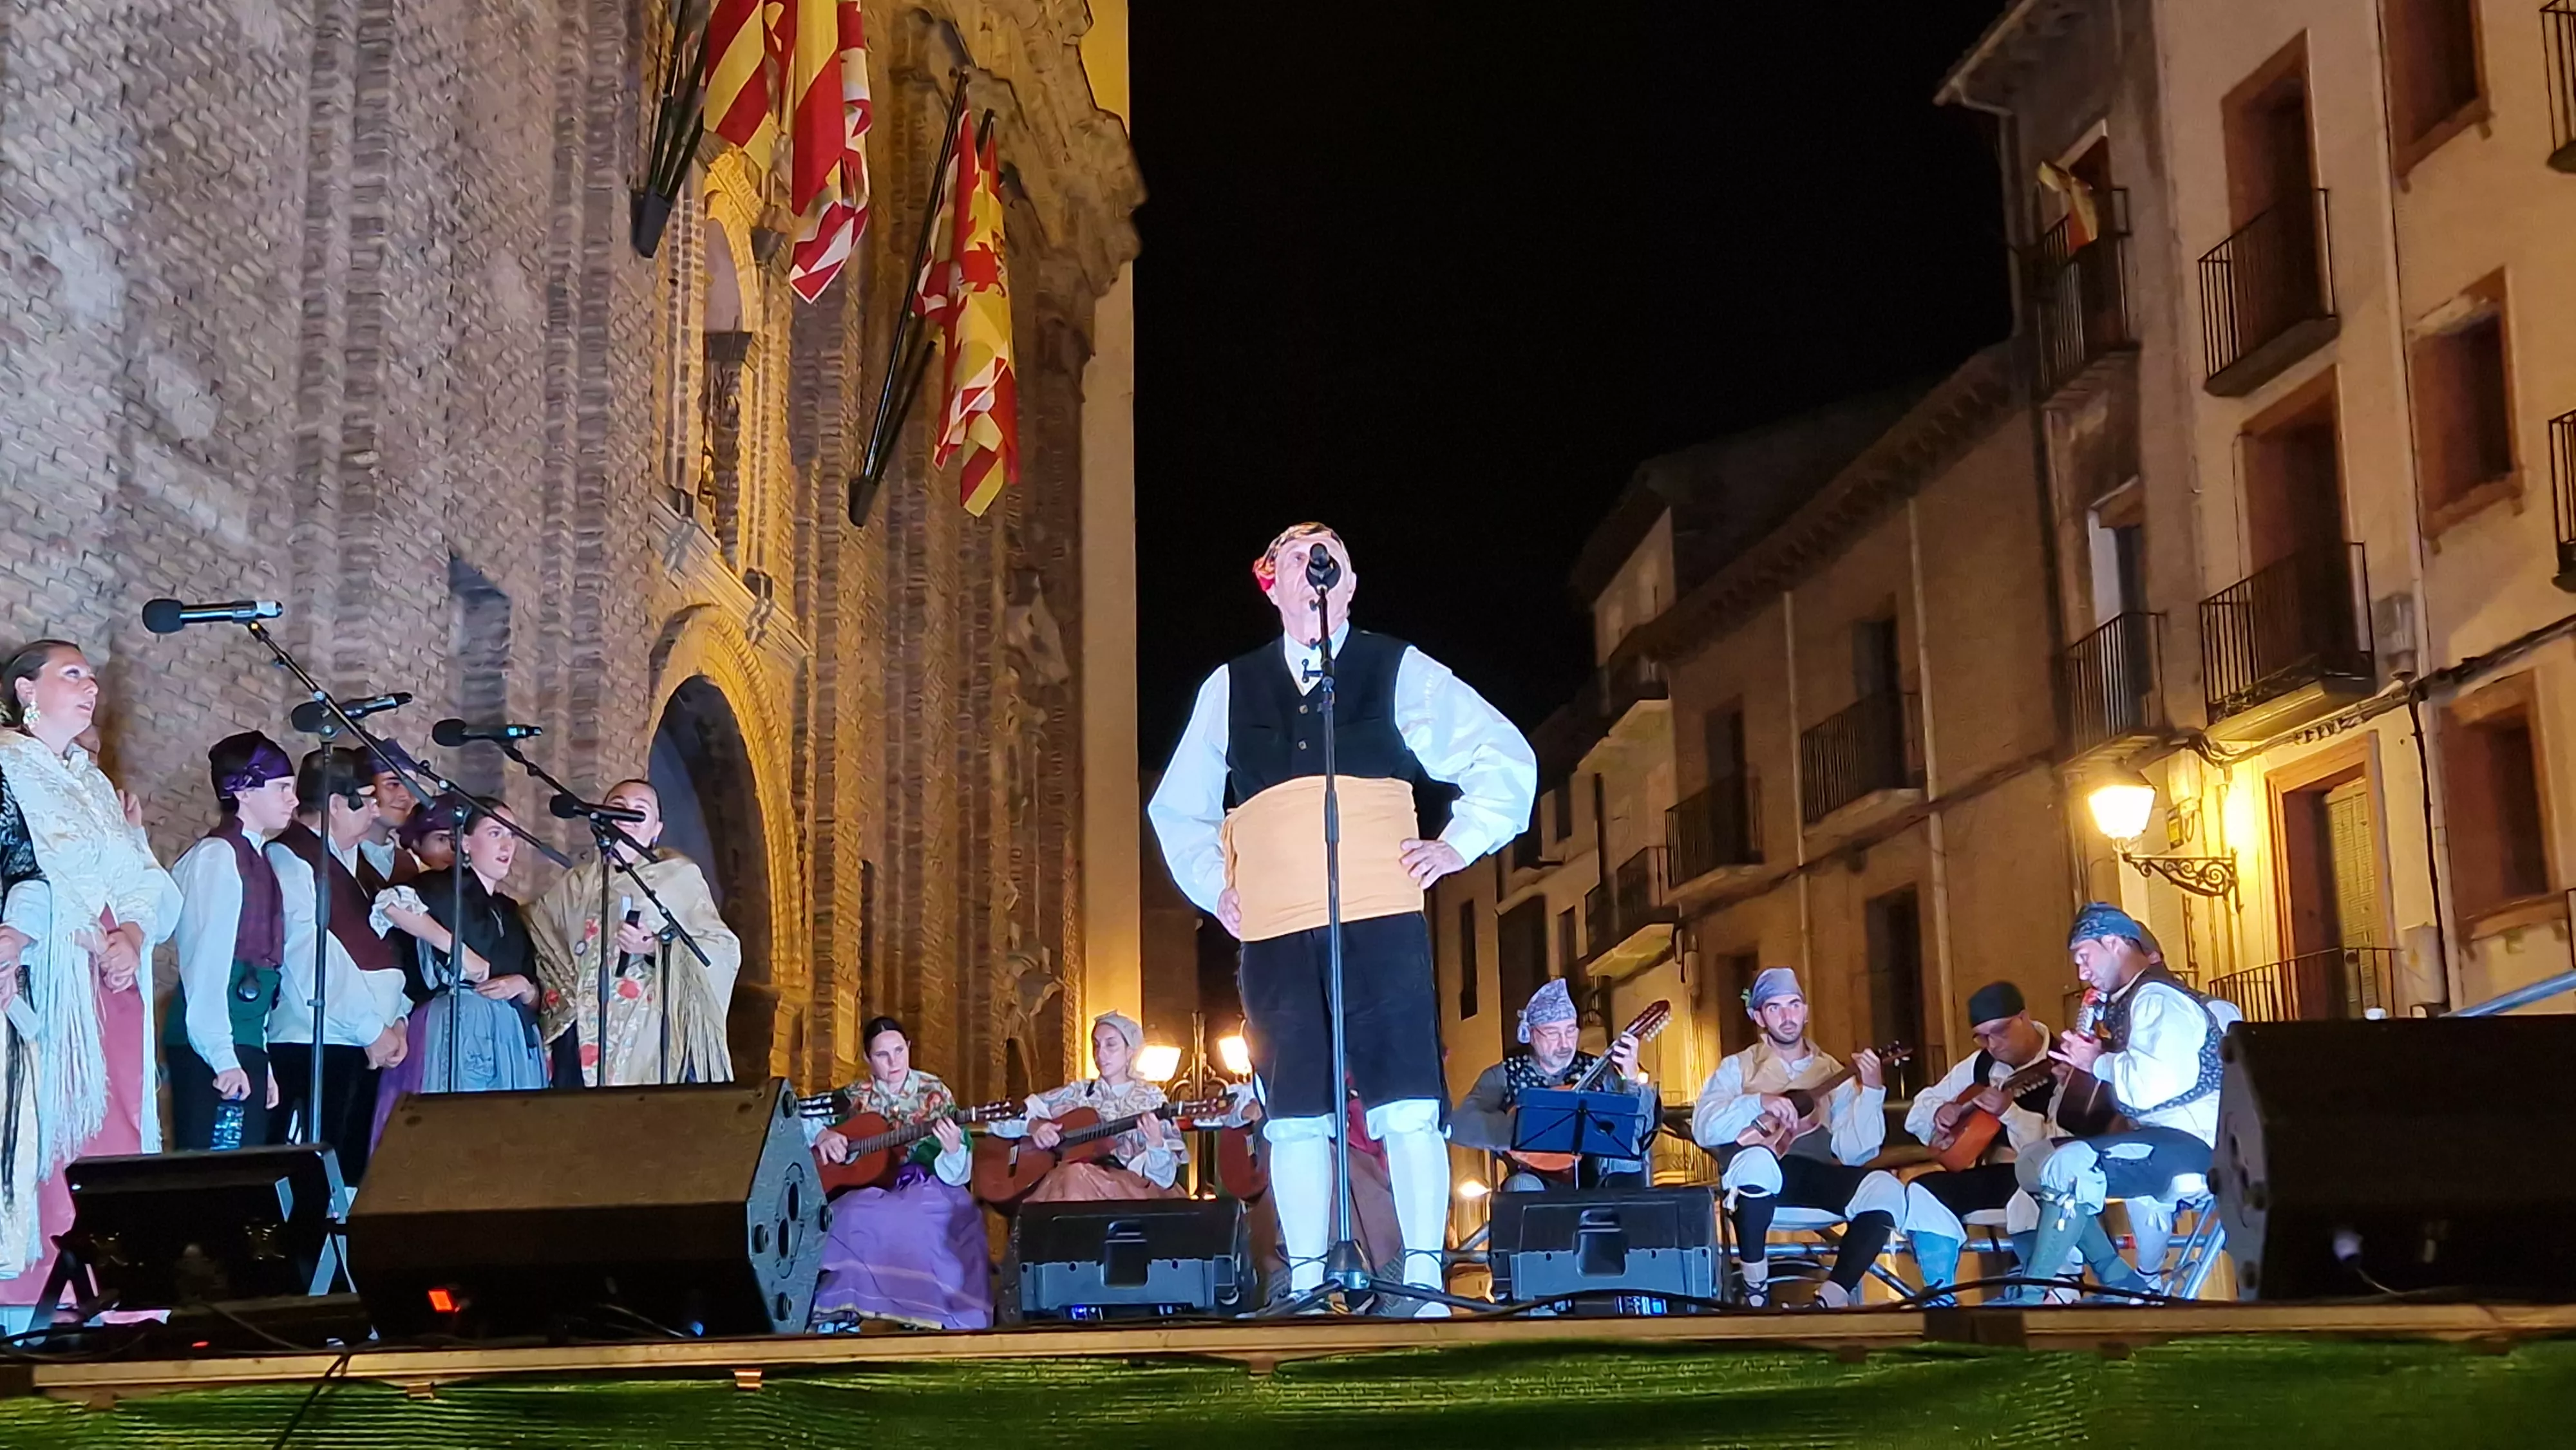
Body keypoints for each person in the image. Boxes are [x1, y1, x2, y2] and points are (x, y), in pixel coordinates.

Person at [1148, 522, 1537, 1312]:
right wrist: (1210, 882)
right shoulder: (1230, 685)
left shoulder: (1396, 668)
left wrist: (1456, 843)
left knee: (1405, 1097)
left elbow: (1502, 755)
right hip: (1275, 923)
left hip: (1378, 912)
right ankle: (1308, 1273)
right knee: (1294, 1109)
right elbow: (1177, 806)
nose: (1310, 563)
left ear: (1347, 583)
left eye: (1326, 555)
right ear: (1271, 581)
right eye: (1294, 553)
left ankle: (1422, 1275)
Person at [0, 641, 182, 1324]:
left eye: (91, 674)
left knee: (121, 1121)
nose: (90, 684)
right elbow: (24, 866)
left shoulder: (93, 780)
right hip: (51, 962)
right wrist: (70, 932)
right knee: (53, 1122)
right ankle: (37, 1294)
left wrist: (133, 934)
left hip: (113, 971)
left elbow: (137, 872)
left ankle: (120, 1290)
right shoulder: (8, 763)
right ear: (26, 690)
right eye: (70, 673)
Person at [2011, 903, 2238, 1302]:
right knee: (2033, 1161)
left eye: (2084, 956)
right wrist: (2093, 1063)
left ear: (2113, 943)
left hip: (2194, 1142)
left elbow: (2154, 1085)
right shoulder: (2133, 1001)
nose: (2082, 971)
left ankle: (2036, 1296)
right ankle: (2119, 1278)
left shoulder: (2158, 1000)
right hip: (2157, 1135)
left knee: (2068, 1165)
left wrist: (2096, 1062)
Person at [1689, 967, 1899, 1308]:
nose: (1787, 1017)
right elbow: (1704, 1126)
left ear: (1805, 1011)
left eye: (1794, 1005)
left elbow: (1856, 1153)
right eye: (1775, 1008)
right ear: (1759, 1016)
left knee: (1885, 1188)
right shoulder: (1738, 1067)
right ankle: (1756, 1291)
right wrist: (1760, 1101)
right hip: (1754, 1184)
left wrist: (1873, 1089)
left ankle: (1831, 1299)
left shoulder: (1833, 1072)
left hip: (1814, 1176)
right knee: (1758, 1162)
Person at [526, 779, 741, 1087]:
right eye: (618, 808)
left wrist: (654, 947)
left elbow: (722, 950)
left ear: (656, 830)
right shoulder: (576, 885)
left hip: (648, 1035)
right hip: (581, 1034)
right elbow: (538, 933)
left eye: (639, 813)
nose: (627, 818)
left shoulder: (677, 877)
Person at [264, 746, 409, 1183]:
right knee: (310, 1180)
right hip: (315, 1043)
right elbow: (306, 954)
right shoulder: (290, 857)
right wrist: (371, 1027)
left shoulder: (358, 864)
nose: (376, 808)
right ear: (333, 804)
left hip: (364, 1045)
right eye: (366, 797)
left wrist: (397, 1017)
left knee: (348, 1178)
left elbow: (382, 948)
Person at [369, 799, 546, 1141]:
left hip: (510, 1037)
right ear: (465, 842)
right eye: (495, 833)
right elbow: (390, 905)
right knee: (458, 1134)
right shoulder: (442, 887)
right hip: (458, 1027)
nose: (507, 845)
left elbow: (535, 991)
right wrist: (460, 952)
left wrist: (523, 986)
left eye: (512, 835)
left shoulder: (509, 910)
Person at [808, 1017, 990, 1331]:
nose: (894, 1062)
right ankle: (841, 1310)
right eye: (882, 1055)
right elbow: (798, 1114)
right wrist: (823, 1135)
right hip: (873, 1183)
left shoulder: (934, 1092)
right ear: (867, 1059)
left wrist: (952, 1149)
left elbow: (958, 1171)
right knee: (849, 1214)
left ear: (908, 1048)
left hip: (927, 1181)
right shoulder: (855, 1095)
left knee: (913, 1218)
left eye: (899, 1051)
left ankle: (923, 1313)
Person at [166, 732, 299, 1151]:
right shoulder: (217, 856)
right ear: (242, 790)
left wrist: (260, 1059)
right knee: (212, 1175)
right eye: (282, 788)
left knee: (242, 1174)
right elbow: (206, 965)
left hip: (241, 1041)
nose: (293, 800)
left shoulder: (256, 856)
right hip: (211, 1043)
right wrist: (223, 1056)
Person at [1900, 980, 2060, 1301]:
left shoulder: (2062, 1063)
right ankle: (1941, 1294)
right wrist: (1940, 1115)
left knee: (2033, 1193)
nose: (1992, 1044)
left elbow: (2059, 1141)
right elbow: (1919, 1109)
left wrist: (2011, 1113)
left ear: (2024, 1018)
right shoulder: (1980, 1064)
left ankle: (2040, 1288)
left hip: (2045, 1178)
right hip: (1994, 1176)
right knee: (1923, 1191)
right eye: (1982, 1036)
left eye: (1999, 1031)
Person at [1451, 979, 1653, 1191]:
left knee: (1626, 1162)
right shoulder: (1505, 1074)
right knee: (1520, 1187)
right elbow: (1461, 1125)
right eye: (1554, 1034)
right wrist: (1523, 1131)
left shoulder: (1598, 1070)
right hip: (1533, 1177)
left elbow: (1639, 1129)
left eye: (1570, 1031)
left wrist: (1630, 1077)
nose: (1565, 1044)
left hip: (1593, 1173)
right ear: (1531, 1035)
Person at [995, 1012, 1183, 1203]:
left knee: (1074, 1176)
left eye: (1111, 1045)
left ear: (1130, 1052)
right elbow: (1000, 1119)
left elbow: (1164, 1179)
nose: (1100, 1054)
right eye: (1096, 1045)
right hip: (1071, 1184)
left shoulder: (1152, 1099)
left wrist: (1156, 1143)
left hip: (1130, 1194)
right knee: (1072, 1175)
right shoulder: (1078, 1092)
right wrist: (1032, 1126)